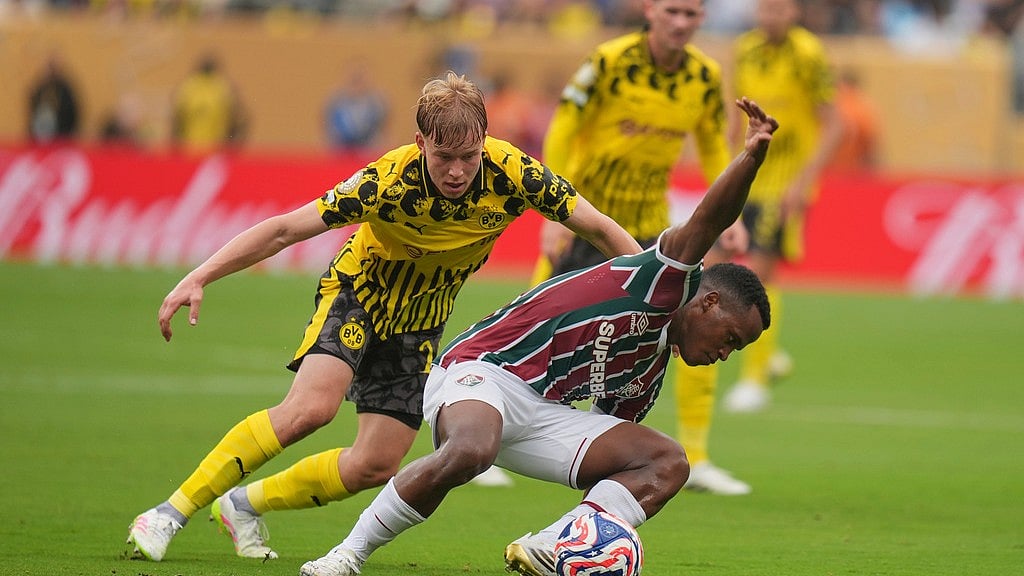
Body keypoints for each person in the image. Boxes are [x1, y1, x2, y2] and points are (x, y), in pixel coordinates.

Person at [125, 71, 641, 563]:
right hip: (359, 293)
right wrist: (200, 276)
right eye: (444, 157)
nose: (458, 171)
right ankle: (168, 513)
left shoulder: (515, 174)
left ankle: (242, 505)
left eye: (468, 156)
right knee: (311, 410)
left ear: (486, 138)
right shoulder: (387, 182)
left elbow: (597, 227)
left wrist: (649, 287)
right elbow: (285, 230)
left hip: (420, 321)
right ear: (420, 143)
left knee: (375, 464)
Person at [298, 96, 776, 576]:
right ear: (709, 303)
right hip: (482, 372)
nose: (724, 353)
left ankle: (556, 548)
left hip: (544, 416)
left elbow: (611, 459)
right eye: (731, 338)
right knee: (470, 451)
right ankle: (346, 555)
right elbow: (710, 220)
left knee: (667, 461)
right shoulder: (661, 279)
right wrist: (751, 157)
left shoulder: (646, 375)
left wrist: (599, 534)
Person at [524, 0, 754, 496]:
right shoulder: (607, 61)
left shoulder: (705, 77)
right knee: (536, 329)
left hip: (650, 232)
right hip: (585, 219)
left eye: (691, 14)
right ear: (649, 10)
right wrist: (555, 207)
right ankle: (495, 429)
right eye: (672, 10)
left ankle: (699, 453)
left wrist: (726, 214)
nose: (680, 22)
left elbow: (714, 141)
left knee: (698, 324)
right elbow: (564, 128)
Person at [721, 0, 845, 413]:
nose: (770, 16)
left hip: (784, 182)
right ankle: (768, 356)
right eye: (765, 8)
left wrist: (804, 180)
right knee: (720, 264)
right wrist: (726, 169)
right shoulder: (744, 50)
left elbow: (834, 122)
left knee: (760, 270)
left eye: (779, 8)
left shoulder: (808, 54)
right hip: (749, 174)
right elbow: (733, 118)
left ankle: (755, 379)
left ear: (794, 12)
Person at [170, 53, 248, 153]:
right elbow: (241, 119)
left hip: (188, 150)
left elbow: (176, 119)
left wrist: (175, 146)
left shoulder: (187, 87)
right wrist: (233, 145)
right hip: (216, 151)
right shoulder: (224, 87)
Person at [324, 66, 388, 151]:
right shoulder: (335, 101)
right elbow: (330, 126)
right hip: (342, 148)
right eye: (354, 79)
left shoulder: (377, 102)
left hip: (368, 148)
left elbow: (383, 127)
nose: (357, 83)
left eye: (360, 79)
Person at [27, 54, 81, 143]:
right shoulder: (41, 88)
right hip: (40, 138)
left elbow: (72, 111)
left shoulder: (65, 89)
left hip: (62, 136)